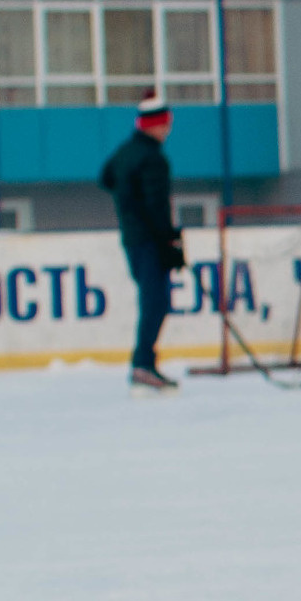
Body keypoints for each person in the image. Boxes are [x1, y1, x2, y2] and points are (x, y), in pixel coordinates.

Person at [100, 92, 186, 392]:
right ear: (156, 125)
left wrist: (128, 207)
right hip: (150, 240)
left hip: (133, 238)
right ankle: (143, 365)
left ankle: (143, 363)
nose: (169, 130)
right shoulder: (153, 158)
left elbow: (106, 177)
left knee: (152, 300)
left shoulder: (126, 151)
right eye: (166, 124)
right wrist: (170, 241)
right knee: (156, 301)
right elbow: (156, 205)